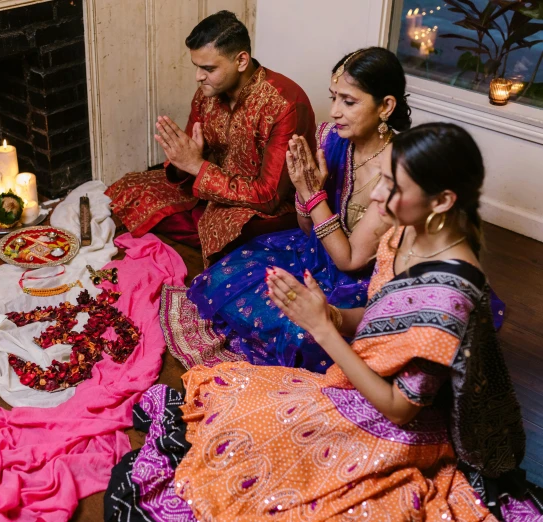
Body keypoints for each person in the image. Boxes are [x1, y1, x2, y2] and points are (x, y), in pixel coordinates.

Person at [173, 123, 540, 521]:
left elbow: (401, 409)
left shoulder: (451, 297)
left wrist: (324, 330)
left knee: (273, 481)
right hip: (358, 384)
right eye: (382, 178)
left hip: (403, 430)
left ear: (442, 201)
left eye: (393, 186)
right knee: (243, 419)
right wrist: (331, 314)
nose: (378, 195)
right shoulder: (403, 233)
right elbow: (383, 315)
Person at [165, 47, 410, 372]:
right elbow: (308, 229)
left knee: (300, 333)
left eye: (348, 102)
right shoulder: (332, 139)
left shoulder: (398, 173)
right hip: (315, 252)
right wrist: (303, 196)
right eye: (333, 97)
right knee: (222, 278)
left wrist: (314, 195)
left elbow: (349, 261)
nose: (335, 111)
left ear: (386, 106)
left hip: (361, 282)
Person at [106, 10, 315, 265]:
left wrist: (196, 165)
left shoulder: (284, 104)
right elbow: (188, 160)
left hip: (265, 210)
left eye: (208, 68)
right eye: (196, 67)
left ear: (241, 61)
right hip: (212, 190)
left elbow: (270, 197)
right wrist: (183, 160)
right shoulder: (208, 92)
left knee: (228, 227)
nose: (198, 77)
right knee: (131, 187)